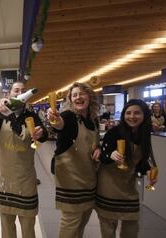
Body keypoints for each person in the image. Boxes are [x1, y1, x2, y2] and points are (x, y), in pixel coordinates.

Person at [0, 81, 48, 238]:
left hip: (26, 178)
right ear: (9, 94)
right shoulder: (0, 115)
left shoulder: (31, 116)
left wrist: (40, 133)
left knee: (28, 225)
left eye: (23, 90)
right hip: (5, 179)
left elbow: (44, 135)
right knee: (7, 226)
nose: (20, 93)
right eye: (16, 90)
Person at [47, 82, 101, 238]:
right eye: (74, 95)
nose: (78, 97)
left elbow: (95, 143)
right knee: (71, 220)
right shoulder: (68, 116)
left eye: (82, 94)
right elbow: (59, 124)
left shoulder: (94, 120)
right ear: (70, 99)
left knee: (84, 218)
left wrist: (98, 149)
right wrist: (54, 119)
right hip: (69, 176)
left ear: (89, 97)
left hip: (89, 175)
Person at [96, 99, 156, 238]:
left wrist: (148, 172)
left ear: (144, 115)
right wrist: (110, 154)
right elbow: (102, 157)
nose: (132, 116)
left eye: (137, 113)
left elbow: (140, 164)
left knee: (132, 225)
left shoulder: (144, 135)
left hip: (129, 186)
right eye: (128, 113)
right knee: (108, 227)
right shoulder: (114, 133)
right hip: (109, 185)